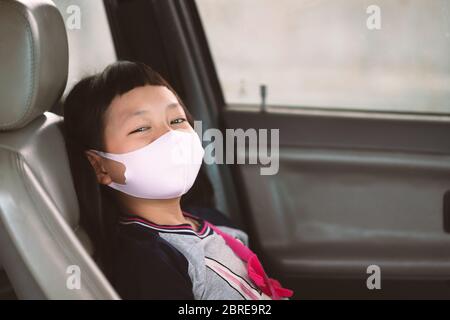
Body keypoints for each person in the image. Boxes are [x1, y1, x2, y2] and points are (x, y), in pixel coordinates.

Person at [63, 60, 292, 300]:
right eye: (141, 128)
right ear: (100, 166)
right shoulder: (147, 262)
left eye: (176, 121)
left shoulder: (210, 220)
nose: (170, 136)